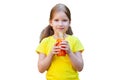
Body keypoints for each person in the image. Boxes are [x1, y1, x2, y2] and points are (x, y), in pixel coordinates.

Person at [36, 3, 84, 80]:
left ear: (69, 22)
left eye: (64, 20)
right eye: (56, 20)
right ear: (51, 22)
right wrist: (51, 54)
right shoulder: (45, 42)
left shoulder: (75, 41)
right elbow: (41, 69)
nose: (60, 24)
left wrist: (70, 52)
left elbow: (80, 67)